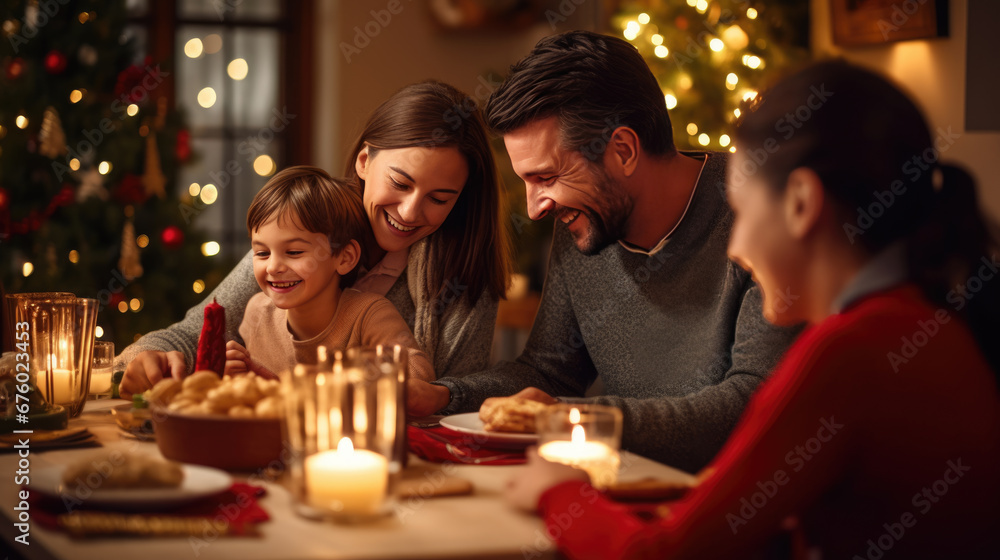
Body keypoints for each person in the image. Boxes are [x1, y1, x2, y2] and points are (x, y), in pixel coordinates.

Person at [505, 60, 1000, 559]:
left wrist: (559, 491)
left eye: (741, 213)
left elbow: (661, 556)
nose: (735, 247)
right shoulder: (926, 323)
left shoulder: (848, 354)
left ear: (801, 204)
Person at [408, 30, 799, 473]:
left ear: (624, 150)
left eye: (546, 177)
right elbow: (549, 373)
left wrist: (572, 419)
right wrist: (442, 394)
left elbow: (754, 404)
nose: (535, 208)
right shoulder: (587, 223)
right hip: (627, 490)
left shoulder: (759, 213)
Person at [118, 81, 514, 397]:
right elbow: (193, 335)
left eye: (439, 198)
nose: (411, 212)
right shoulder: (301, 229)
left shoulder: (464, 274)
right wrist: (148, 355)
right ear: (364, 161)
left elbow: (461, 397)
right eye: (400, 182)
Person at [222, 165, 433, 381]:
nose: (273, 267)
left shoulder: (368, 315)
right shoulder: (257, 312)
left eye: (294, 252)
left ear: (345, 257)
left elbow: (420, 375)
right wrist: (234, 374)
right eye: (262, 253)